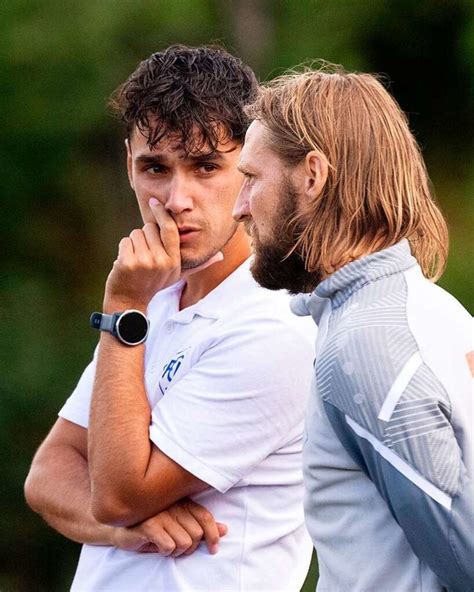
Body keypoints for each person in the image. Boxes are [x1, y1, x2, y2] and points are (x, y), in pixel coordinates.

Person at [24, 45, 316, 592]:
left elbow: (118, 493)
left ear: (250, 168)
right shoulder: (158, 298)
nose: (176, 198)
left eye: (207, 167)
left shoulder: (274, 324)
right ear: (128, 166)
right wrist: (122, 530)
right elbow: (48, 473)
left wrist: (121, 313)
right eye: (155, 168)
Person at [233, 66, 473, 592]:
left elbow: (466, 549)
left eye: (251, 178)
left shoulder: (364, 345)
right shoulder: (431, 310)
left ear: (312, 176)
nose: (239, 208)